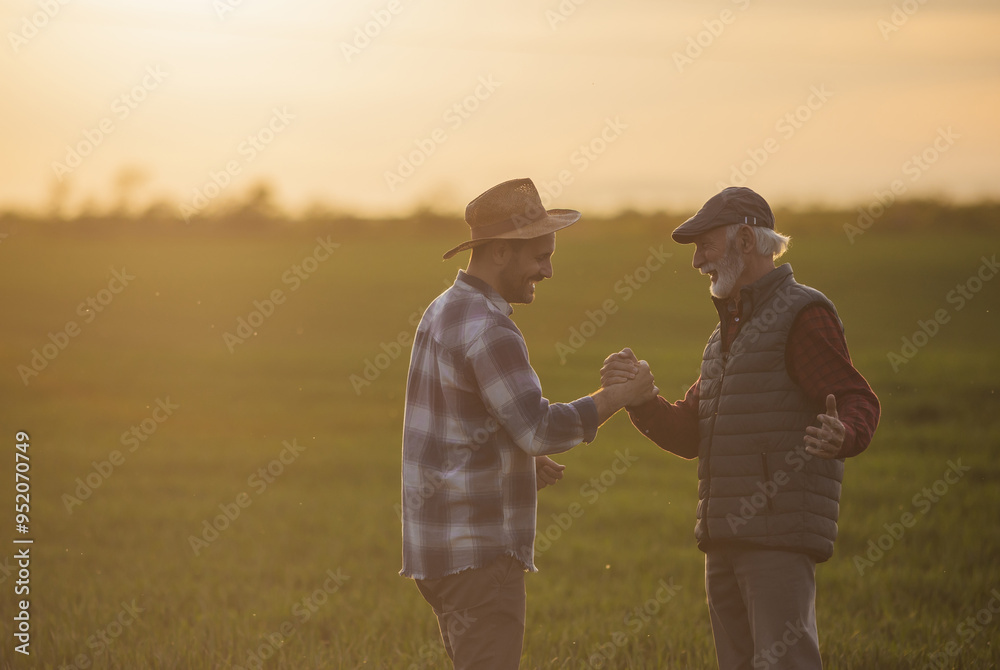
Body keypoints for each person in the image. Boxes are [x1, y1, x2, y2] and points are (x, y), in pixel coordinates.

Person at [601, 186, 880, 670]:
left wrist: (845, 434)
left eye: (705, 246)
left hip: (777, 537)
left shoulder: (801, 313)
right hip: (723, 537)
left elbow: (856, 397)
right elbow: (691, 433)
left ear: (746, 241)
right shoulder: (724, 334)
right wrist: (641, 401)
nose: (697, 262)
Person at [400, 177, 656, 670]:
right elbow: (537, 427)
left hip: (437, 547)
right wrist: (617, 396)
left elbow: (457, 418)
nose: (549, 270)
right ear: (500, 252)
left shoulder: (443, 310)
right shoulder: (490, 327)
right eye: (539, 256)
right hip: (478, 552)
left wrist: (513, 457)